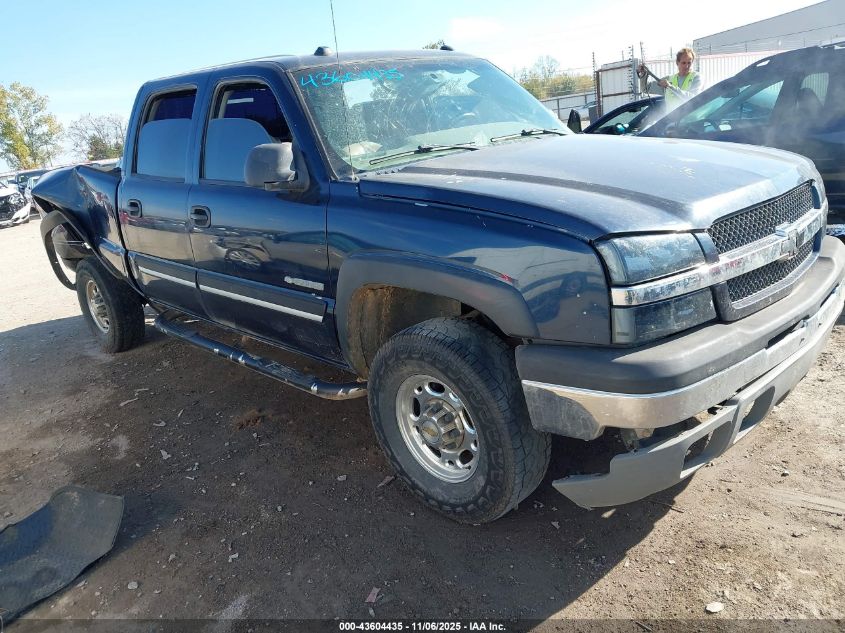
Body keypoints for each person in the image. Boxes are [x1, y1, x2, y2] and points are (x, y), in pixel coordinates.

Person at [638, 48, 702, 112]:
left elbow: (693, 98)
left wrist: (670, 87)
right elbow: (646, 88)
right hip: (673, 121)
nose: (686, 66)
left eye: (689, 63)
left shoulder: (696, 77)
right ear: (677, 62)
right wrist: (643, 74)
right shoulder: (670, 79)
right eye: (683, 63)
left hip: (691, 120)